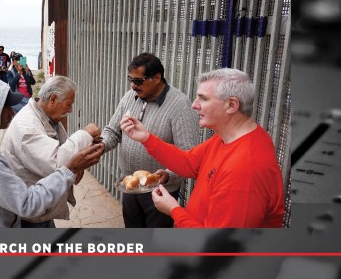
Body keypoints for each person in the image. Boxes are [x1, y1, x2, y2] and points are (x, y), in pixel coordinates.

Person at [121, 68, 285, 228]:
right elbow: (189, 163)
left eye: (203, 99)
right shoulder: (226, 137)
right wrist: (147, 138)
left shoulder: (245, 169)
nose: (194, 105)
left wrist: (174, 210)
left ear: (231, 105)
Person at [0, 70, 104, 228]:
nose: (11, 112)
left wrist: (74, 166)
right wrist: (71, 167)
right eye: (5, 107)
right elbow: (28, 203)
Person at [101, 53, 200, 228]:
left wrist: (168, 175)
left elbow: (188, 156)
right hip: (130, 186)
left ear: (156, 78)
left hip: (162, 193)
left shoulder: (180, 106)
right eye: (130, 79)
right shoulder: (129, 97)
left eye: (138, 81)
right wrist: (100, 146)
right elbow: (113, 131)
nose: (132, 86)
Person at [1, 75, 102, 228]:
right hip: (30, 212)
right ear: (53, 99)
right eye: (68, 104)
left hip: (41, 205)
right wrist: (85, 134)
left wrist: (79, 161)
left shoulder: (46, 116)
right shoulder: (27, 127)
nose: (70, 110)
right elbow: (57, 163)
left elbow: (61, 149)